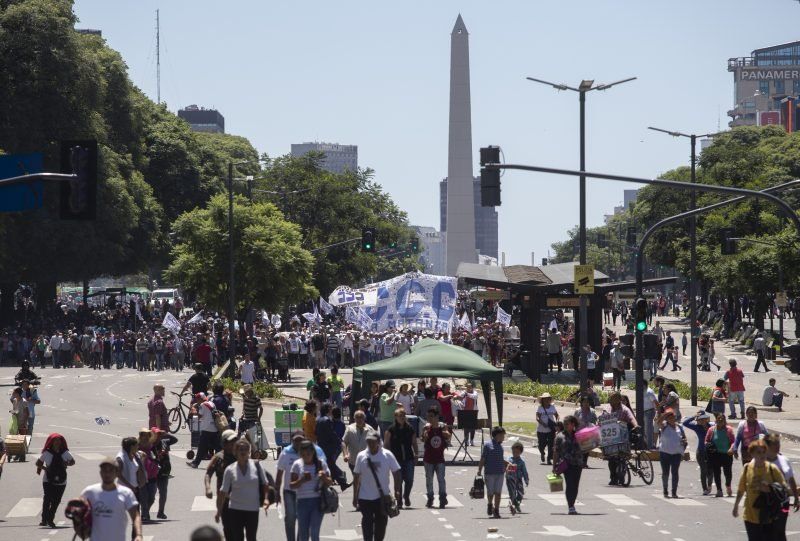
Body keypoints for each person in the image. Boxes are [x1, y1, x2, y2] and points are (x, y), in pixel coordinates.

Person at [275, 430, 327, 541]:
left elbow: (325, 469)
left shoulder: (316, 451)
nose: (298, 442)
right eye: (296, 440)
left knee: (305, 524)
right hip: (290, 491)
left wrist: (323, 477)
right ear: (291, 440)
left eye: (301, 440)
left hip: (313, 495)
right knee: (290, 518)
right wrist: (277, 491)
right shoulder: (286, 452)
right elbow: (279, 473)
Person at [216, 439, 272, 541]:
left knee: (251, 537)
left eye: (245, 449)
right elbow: (223, 492)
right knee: (238, 538)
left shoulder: (256, 466)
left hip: (252, 509)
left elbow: (265, 484)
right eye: (240, 449)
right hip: (235, 509)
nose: (243, 452)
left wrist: (266, 499)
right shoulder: (230, 470)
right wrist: (219, 511)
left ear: (249, 452)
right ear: (235, 452)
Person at [733, 439, 787, 540]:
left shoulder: (772, 469)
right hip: (750, 515)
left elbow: (783, 488)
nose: (762, 455)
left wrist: (769, 488)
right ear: (752, 454)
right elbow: (741, 489)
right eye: (758, 452)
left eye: (764, 452)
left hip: (768, 515)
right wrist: (736, 506)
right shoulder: (747, 468)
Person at [353, 431, 402, 541]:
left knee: (381, 524)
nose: (371, 444)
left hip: (382, 497)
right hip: (365, 497)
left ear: (379, 442)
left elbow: (396, 472)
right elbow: (356, 477)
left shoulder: (387, 455)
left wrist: (397, 490)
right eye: (368, 441)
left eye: (373, 441)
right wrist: (355, 496)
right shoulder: (361, 456)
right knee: (367, 523)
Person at [81, 457, 143, 541]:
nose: (107, 474)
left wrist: (138, 534)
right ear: (100, 472)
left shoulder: (126, 493)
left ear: (117, 473)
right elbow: (79, 514)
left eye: (111, 470)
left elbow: (135, 516)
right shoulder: (89, 492)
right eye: (104, 470)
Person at [290, 439, 331, 541]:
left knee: (314, 532)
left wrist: (324, 478)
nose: (306, 457)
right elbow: (292, 485)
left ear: (313, 452)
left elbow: (330, 482)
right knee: (303, 533)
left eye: (308, 454)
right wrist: (301, 480)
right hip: (302, 502)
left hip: (317, 502)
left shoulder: (321, 464)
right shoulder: (297, 464)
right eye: (303, 455)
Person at [36, 433, 75, 528]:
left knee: (56, 501)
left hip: (61, 480)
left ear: (61, 442)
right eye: (55, 440)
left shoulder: (65, 453)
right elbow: (38, 463)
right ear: (51, 442)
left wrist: (67, 463)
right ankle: (44, 519)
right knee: (47, 499)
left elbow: (73, 462)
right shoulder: (46, 453)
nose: (57, 442)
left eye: (59, 440)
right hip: (48, 480)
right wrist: (46, 469)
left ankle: (50, 519)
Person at [765, 432, 800, 536]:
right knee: (766, 530)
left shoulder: (784, 460)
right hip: (765, 502)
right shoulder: (760, 460)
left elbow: (791, 480)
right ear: (767, 446)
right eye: (774, 444)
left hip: (783, 502)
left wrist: (796, 498)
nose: (777, 446)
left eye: (778, 443)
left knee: (780, 531)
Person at [384, 406, 417, 508]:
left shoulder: (410, 428)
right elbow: (386, 444)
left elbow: (414, 442)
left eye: (403, 415)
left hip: (409, 457)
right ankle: (399, 501)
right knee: (398, 480)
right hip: (396, 459)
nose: (402, 417)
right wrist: (388, 457)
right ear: (396, 417)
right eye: (400, 416)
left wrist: (416, 454)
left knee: (409, 479)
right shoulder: (391, 429)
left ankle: (406, 496)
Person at [603, 392, 638, 486]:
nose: (610, 401)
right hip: (610, 438)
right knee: (611, 459)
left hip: (622, 438)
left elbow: (631, 418)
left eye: (612, 399)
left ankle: (622, 476)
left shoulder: (625, 409)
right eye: (610, 399)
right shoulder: (607, 408)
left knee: (622, 458)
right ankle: (613, 478)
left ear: (618, 400)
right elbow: (602, 419)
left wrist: (636, 425)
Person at [553, 415, 583, 515]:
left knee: (575, 485)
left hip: (578, 463)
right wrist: (554, 466)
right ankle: (571, 506)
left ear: (573, 424)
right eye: (564, 424)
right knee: (569, 484)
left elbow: (586, 446)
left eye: (567, 424)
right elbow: (556, 452)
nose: (565, 425)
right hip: (566, 464)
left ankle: (572, 503)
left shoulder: (579, 435)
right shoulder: (559, 436)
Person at [315, 403, 348, 490]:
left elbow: (316, 433)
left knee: (330, 464)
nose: (331, 411)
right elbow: (331, 433)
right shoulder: (327, 420)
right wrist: (338, 442)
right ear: (328, 410)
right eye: (330, 409)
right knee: (331, 464)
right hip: (328, 447)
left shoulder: (318, 419)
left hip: (321, 445)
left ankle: (341, 482)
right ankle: (342, 481)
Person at [422, 406, 450, 509]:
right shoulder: (426, 427)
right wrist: (425, 433)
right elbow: (423, 439)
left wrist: (442, 431)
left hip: (439, 459)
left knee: (441, 479)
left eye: (431, 416)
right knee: (429, 480)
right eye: (428, 416)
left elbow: (448, 435)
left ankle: (442, 498)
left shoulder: (442, 427)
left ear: (437, 416)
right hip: (428, 458)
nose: (429, 418)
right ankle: (430, 498)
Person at [478, 426, 508, 518]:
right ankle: (490, 504)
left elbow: (500, 459)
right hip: (489, 473)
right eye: (502, 435)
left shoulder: (500, 446)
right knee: (490, 492)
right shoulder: (487, 445)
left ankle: (497, 510)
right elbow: (483, 458)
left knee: (498, 492)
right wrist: (479, 470)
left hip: (500, 473)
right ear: (497, 435)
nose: (503, 437)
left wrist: (508, 464)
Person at [657, 409, 687, 498]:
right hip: (664, 453)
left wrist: (684, 443)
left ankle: (674, 492)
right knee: (665, 473)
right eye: (669, 417)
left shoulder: (679, 427)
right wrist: (664, 414)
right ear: (666, 418)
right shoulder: (664, 426)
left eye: (673, 417)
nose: (672, 419)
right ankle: (665, 490)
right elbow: (658, 422)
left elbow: (684, 438)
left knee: (675, 472)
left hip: (676, 453)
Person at [682, 411, 713, 495]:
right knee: (703, 470)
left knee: (710, 471)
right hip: (700, 451)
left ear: (706, 419)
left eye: (703, 419)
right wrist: (693, 416)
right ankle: (704, 489)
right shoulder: (696, 427)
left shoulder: (712, 427)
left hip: (710, 452)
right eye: (700, 419)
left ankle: (709, 485)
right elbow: (685, 423)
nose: (702, 421)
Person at [705, 413, 735, 497]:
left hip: (727, 454)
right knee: (716, 473)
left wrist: (731, 448)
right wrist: (708, 445)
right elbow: (706, 440)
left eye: (722, 419)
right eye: (719, 418)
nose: (720, 420)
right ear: (716, 420)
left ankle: (728, 485)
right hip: (715, 454)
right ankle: (719, 490)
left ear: (725, 421)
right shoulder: (711, 430)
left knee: (727, 473)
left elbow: (733, 441)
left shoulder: (729, 430)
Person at [188, 393, 220, 468]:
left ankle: (195, 463)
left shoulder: (203, 405)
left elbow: (199, 416)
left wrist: (193, 411)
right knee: (217, 447)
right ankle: (223, 462)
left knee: (201, 447)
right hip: (214, 428)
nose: (196, 401)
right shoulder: (212, 403)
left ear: (200, 399)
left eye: (197, 399)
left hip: (206, 429)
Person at [116, 437, 145, 507]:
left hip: (135, 488)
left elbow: (137, 469)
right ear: (132, 446)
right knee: (125, 510)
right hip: (124, 490)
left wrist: (142, 459)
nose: (138, 447)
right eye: (137, 445)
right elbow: (118, 474)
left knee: (136, 509)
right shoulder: (120, 458)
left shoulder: (135, 455)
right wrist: (130, 486)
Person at [505, 441, 529, 514]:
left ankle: (517, 503)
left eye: (517, 452)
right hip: (510, 479)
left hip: (518, 480)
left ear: (520, 452)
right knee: (512, 493)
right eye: (513, 452)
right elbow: (505, 467)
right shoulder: (509, 460)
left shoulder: (521, 462)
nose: (515, 453)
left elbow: (524, 471)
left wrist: (526, 480)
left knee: (520, 493)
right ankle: (514, 505)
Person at [536, 393, 559, 465]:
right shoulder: (540, 408)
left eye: (548, 399)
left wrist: (557, 422)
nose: (547, 400)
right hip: (541, 430)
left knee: (551, 445)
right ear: (542, 400)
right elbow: (537, 417)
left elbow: (557, 415)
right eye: (545, 399)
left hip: (551, 429)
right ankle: (542, 452)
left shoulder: (552, 407)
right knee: (541, 445)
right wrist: (543, 423)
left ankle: (549, 459)